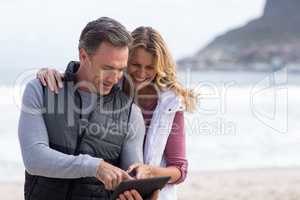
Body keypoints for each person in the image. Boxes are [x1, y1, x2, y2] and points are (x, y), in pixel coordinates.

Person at [37, 26, 197, 200]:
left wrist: (150, 172)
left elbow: (180, 169)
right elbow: (84, 76)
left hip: (152, 194)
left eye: (150, 67)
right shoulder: (108, 88)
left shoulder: (170, 104)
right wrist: (50, 73)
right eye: (135, 64)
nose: (142, 74)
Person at [18, 17, 159, 200]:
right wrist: (95, 166)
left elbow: (132, 177)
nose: (115, 78)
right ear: (83, 56)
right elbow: (34, 159)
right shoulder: (41, 90)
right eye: (107, 68)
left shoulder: (131, 114)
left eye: (120, 69)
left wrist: (136, 191)